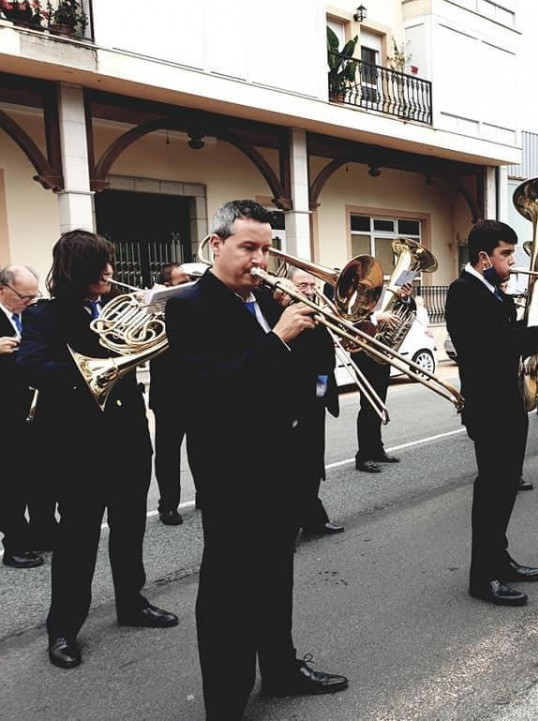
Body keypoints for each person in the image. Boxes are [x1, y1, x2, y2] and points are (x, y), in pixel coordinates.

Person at [165, 201, 348, 718]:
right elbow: (208, 392)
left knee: (274, 574)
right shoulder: (189, 308)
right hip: (232, 472)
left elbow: (305, 374)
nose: (260, 261)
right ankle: (225, 700)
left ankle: (282, 668)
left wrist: (324, 325)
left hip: (281, 465)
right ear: (215, 245)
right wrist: (277, 338)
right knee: (228, 591)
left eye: (267, 249)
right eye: (249, 248)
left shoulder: (268, 300)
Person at [17, 231, 178, 670]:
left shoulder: (113, 308)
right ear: (75, 270)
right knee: (77, 538)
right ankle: (64, 628)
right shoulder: (44, 316)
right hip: (77, 446)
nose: (110, 271)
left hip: (128, 438)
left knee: (130, 529)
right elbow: (29, 363)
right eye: (101, 265)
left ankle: (132, 602)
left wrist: (161, 312)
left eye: (110, 263)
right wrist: (87, 375)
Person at [445, 219, 538, 606]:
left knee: (504, 493)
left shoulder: (491, 291)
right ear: (483, 257)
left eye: (513, 252)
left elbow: (504, 335)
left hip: (507, 403)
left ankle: (499, 561)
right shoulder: (463, 292)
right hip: (489, 409)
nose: (514, 261)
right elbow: (490, 347)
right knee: (492, 494)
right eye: (506, 253)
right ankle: (482, 579)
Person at [274, 267, 343, 539]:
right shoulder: (283, 316)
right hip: (293, 403)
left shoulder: (317, 313)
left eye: (312, 286)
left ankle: (311, 519)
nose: (309, 291)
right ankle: (296, 523)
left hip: (316, 399)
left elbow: (325, 353)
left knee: (313, 464)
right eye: (302, 285)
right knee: (295, 467)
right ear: (288, 287)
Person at [0, 265, 47, 568]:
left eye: (34, 296)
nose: (30, 301)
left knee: (40, 477)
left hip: (36, 409)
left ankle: (43, 532)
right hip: (4, 414)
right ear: (2, 290)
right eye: (24, 297)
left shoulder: (32, 315)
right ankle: (14, 543)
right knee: (10, 482)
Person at [353, 283, 415, 473]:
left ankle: (377, 449)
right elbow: (348, 318)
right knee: (368, 404)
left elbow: (411, 311)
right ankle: (363, 456)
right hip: (363, 351)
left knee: (379, 404)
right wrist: (377, 316)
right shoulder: (355, 293)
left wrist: (405, 298)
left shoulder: (389, 293)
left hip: (383, 351)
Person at [148, 263, 192, 526]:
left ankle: (205, 494)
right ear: (166, 286)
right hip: (168, 393)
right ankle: (168, 506)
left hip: (197, 388)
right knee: (167, 452)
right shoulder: (154, 313)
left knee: (203, 448)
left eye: (189, 280)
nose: (187, 284)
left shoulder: (196, 305)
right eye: (181, 281)